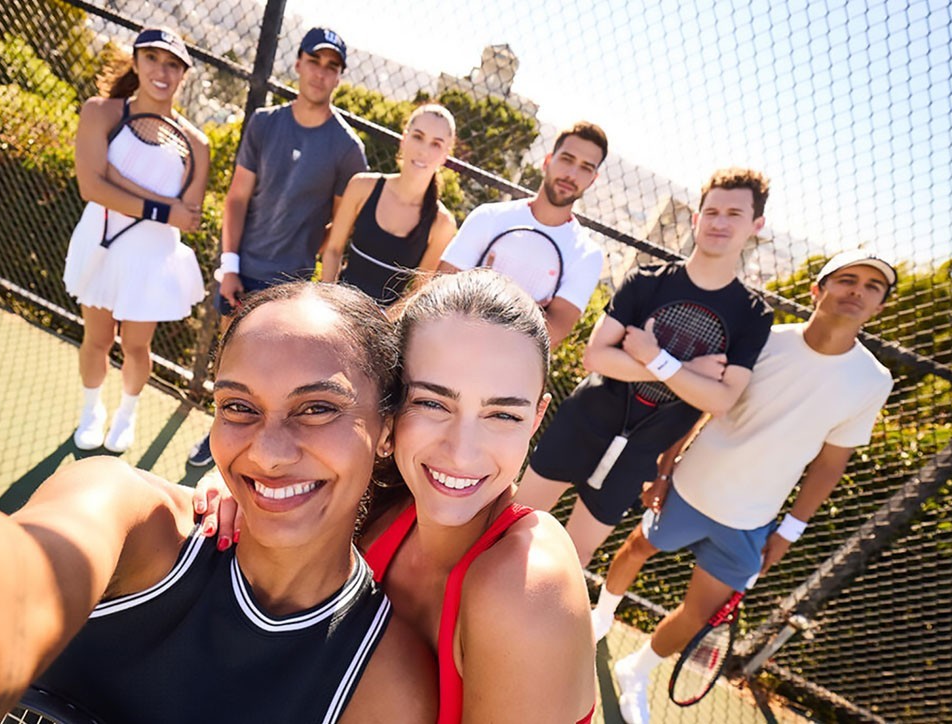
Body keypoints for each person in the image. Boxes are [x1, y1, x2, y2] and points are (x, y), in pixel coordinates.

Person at [0, 283, 436, 724]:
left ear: (384, 430)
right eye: (239, 407)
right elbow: (3, 578)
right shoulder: (128, 515)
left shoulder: (381, 679)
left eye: (318, 408)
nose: (268, 451)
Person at [595, 251, 897, 724]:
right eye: (846, 279)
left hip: (751, 521)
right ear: (817, 290)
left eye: (872, 287)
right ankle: (599, 621)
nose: (857, 291)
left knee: (697, 614)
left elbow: (829, 465)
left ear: (880, 307)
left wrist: (788, 533)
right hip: (691, 487)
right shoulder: (764, 340)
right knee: (634, 551)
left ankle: (639, 669)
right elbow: (701, 401)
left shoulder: (874, 381)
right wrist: (665, 466)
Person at [360, 270, 598, 723]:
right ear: (391, 402)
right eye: (432, 403)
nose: (462, 451)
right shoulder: (379, 502)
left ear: (535, 419)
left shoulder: (526, 588)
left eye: (503, 414)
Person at [515, 168, 775, 566]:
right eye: (712, 211)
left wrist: (650, 356)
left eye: (734, 214)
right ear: (696, 218)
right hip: (585, 420)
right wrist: (683, 371)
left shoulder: (753, 315)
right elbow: (596, 357)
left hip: (642, 451)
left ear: (756, 225)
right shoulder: (646, 282)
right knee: (514, 525)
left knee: (572, 555)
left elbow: (721, 400)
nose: (720, 223)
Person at [190, 26, 366, 466]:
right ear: (298, 64)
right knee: (231, 368)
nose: (320, 74)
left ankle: (258, 457)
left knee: (275, 382)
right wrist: (229, 267)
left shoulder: (348, 148)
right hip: (242, 272)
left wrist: (317, 289)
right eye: (314, 62)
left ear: (338, 76)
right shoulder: (265, 123)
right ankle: (217, 443)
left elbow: (339, 232)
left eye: (331, 67)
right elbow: (236, 199)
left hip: (291, 284)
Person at [63, 27, 211, 453]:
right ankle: (91, 411)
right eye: (152, 59)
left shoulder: (196, 144)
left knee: (136, 345)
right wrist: (161, 207)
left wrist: (117, 183)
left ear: (183, 74)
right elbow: (91, 189)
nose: (161, 71)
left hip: (151, 256)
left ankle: (126, 414)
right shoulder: (100, 113)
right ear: (136, 62)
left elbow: (190, 217)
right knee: (97, 339)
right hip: (100, 240)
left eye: (172, 64)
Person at [436, 121, 608, 347]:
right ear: (548, 162)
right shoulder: (488, 216)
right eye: (567, 159)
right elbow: (439, 291)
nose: (572, 174)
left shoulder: (587, 255)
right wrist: (530, 312)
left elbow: (553, 333)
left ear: (593, 179)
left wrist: (480, 292)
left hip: (507, 371)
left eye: (586, 167)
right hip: (449, 343)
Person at [319, 103, 458, 306]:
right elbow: (333, 250)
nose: (423, 151)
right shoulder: (362, 186)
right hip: (336, 307)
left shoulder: (442, 224)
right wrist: (329, 302)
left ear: (445, 155)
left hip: (384, 328)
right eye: (418, 137)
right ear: (404, 139)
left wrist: (382, 324)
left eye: (436, 144)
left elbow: (418, 291)